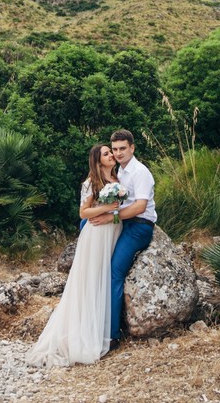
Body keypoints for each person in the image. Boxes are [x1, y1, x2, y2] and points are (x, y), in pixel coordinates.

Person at [25, 144, 123, 367]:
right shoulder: (91, 183)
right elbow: (83, 213)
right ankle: (80, 335)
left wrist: (115, 215)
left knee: (104, 279)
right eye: (107, 154)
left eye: (111, 152)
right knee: (90, 281)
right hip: (96, 235)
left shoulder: (117, 179)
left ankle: (99, 329)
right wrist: (105, 209)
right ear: (98, 161)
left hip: (112, 232)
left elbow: (118, 212)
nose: (111, 156)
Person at [88, 128, 156, 349]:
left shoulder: (140, 172)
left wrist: (110, 216)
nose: (117, 153)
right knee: (85, 226)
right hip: (124, 222)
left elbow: (140, 206)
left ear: (132, 148)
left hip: (139, 226)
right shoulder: (120, 171)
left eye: (122, 149)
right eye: (114, 149)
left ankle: (111, 335)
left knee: (114, 272)